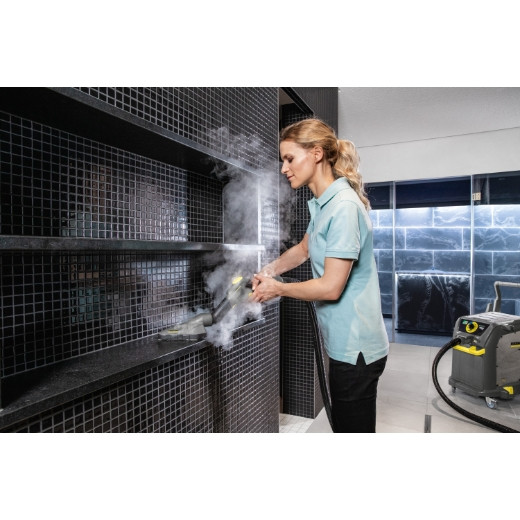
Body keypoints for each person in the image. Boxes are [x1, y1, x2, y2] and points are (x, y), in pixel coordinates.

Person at [250, 118, 389, 433]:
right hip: (344, 342)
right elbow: (303, 249)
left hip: (357, 348)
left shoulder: (343, 207)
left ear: (316, 153)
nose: (284, 168)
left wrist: (278, 289)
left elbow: (330, 287)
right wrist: (267, 271)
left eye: (289, 158)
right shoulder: (324, 205)